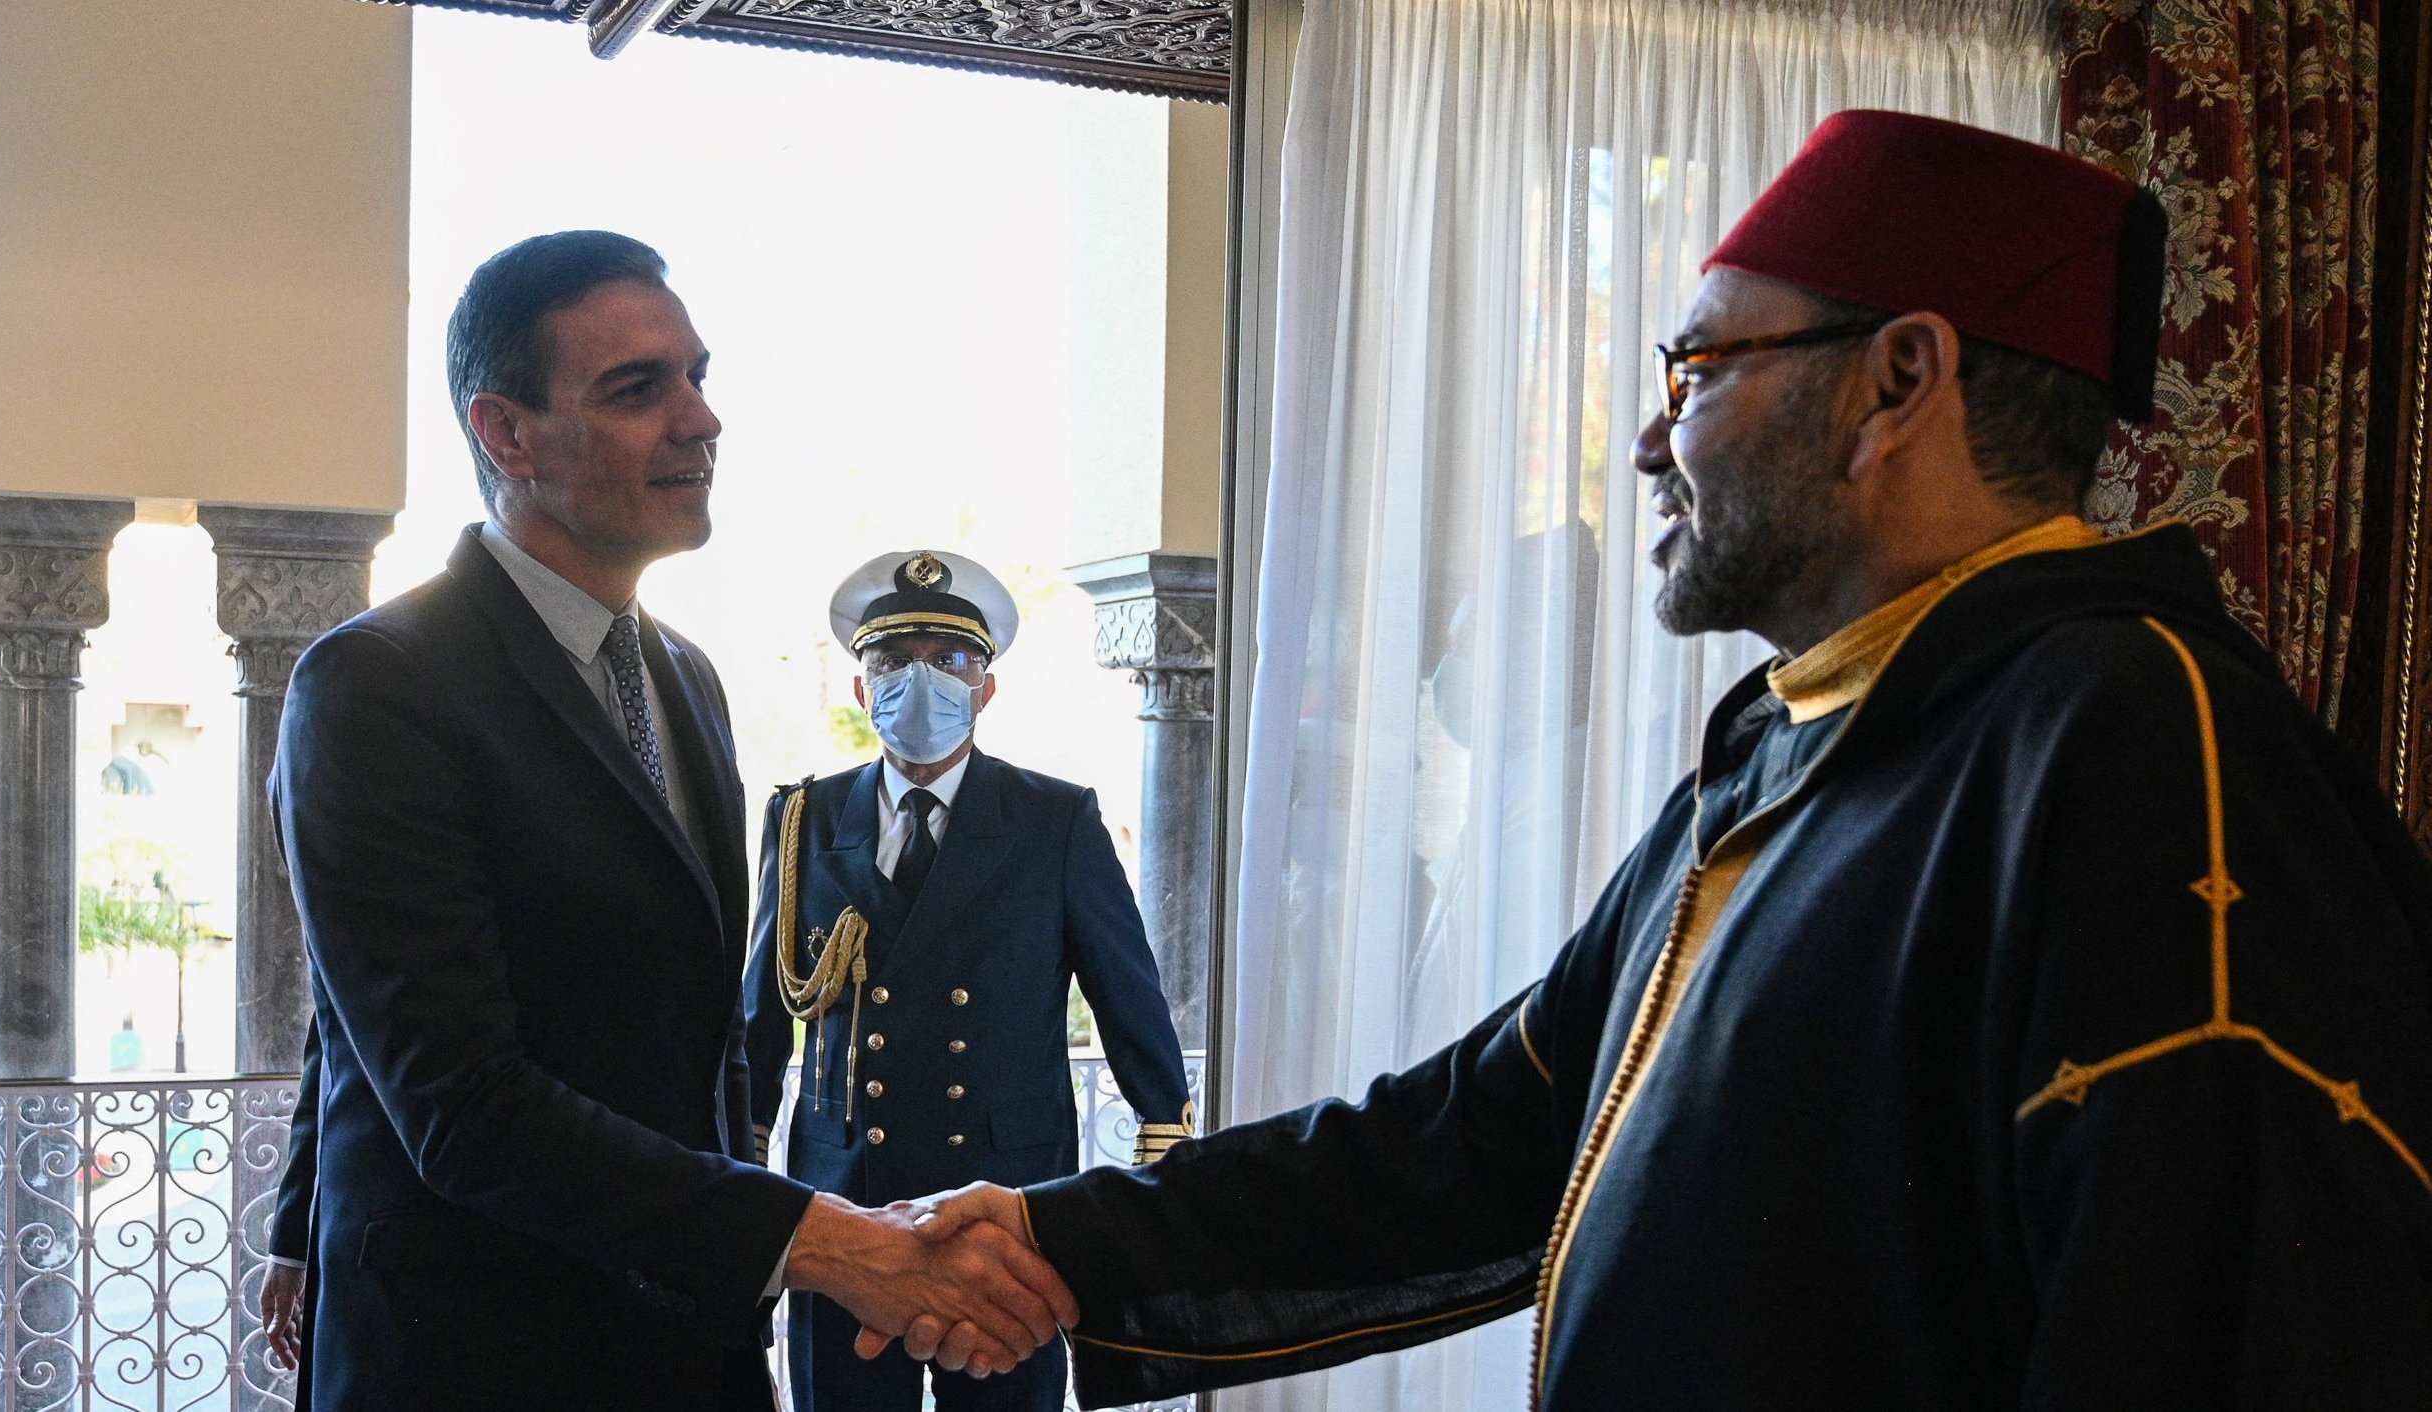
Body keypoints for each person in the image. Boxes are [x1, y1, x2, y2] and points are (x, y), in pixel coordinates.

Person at [893, 111, 2432, 1406]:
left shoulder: (2135, 734)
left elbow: (2229, 1324)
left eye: (1693, 371)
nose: (1646, 439)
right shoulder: (1788, 740)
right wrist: (1057, 1233)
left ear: (1897, 381)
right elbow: (1489, 1126)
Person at [268, 230, 1074, 1410]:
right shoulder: (380, 682)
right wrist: (837, 1246)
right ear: (507, 432)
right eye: (639, 389)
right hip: (478, 1351)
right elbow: (456, 1095)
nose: (699, 418)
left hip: (684, 1333)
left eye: (697, 375)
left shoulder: (685, 676)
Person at [747, 549, 1193, 1412]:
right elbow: (764, 1010)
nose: (921, 682)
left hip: (1003, 1192)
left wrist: (1160, 1136)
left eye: (948, 662)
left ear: (986, 688)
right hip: (843, 1197)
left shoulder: (1053, 818)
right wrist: (741, 1155)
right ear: (858, 688)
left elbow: (1124, 990)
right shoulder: (802, 816)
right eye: (891, 662)